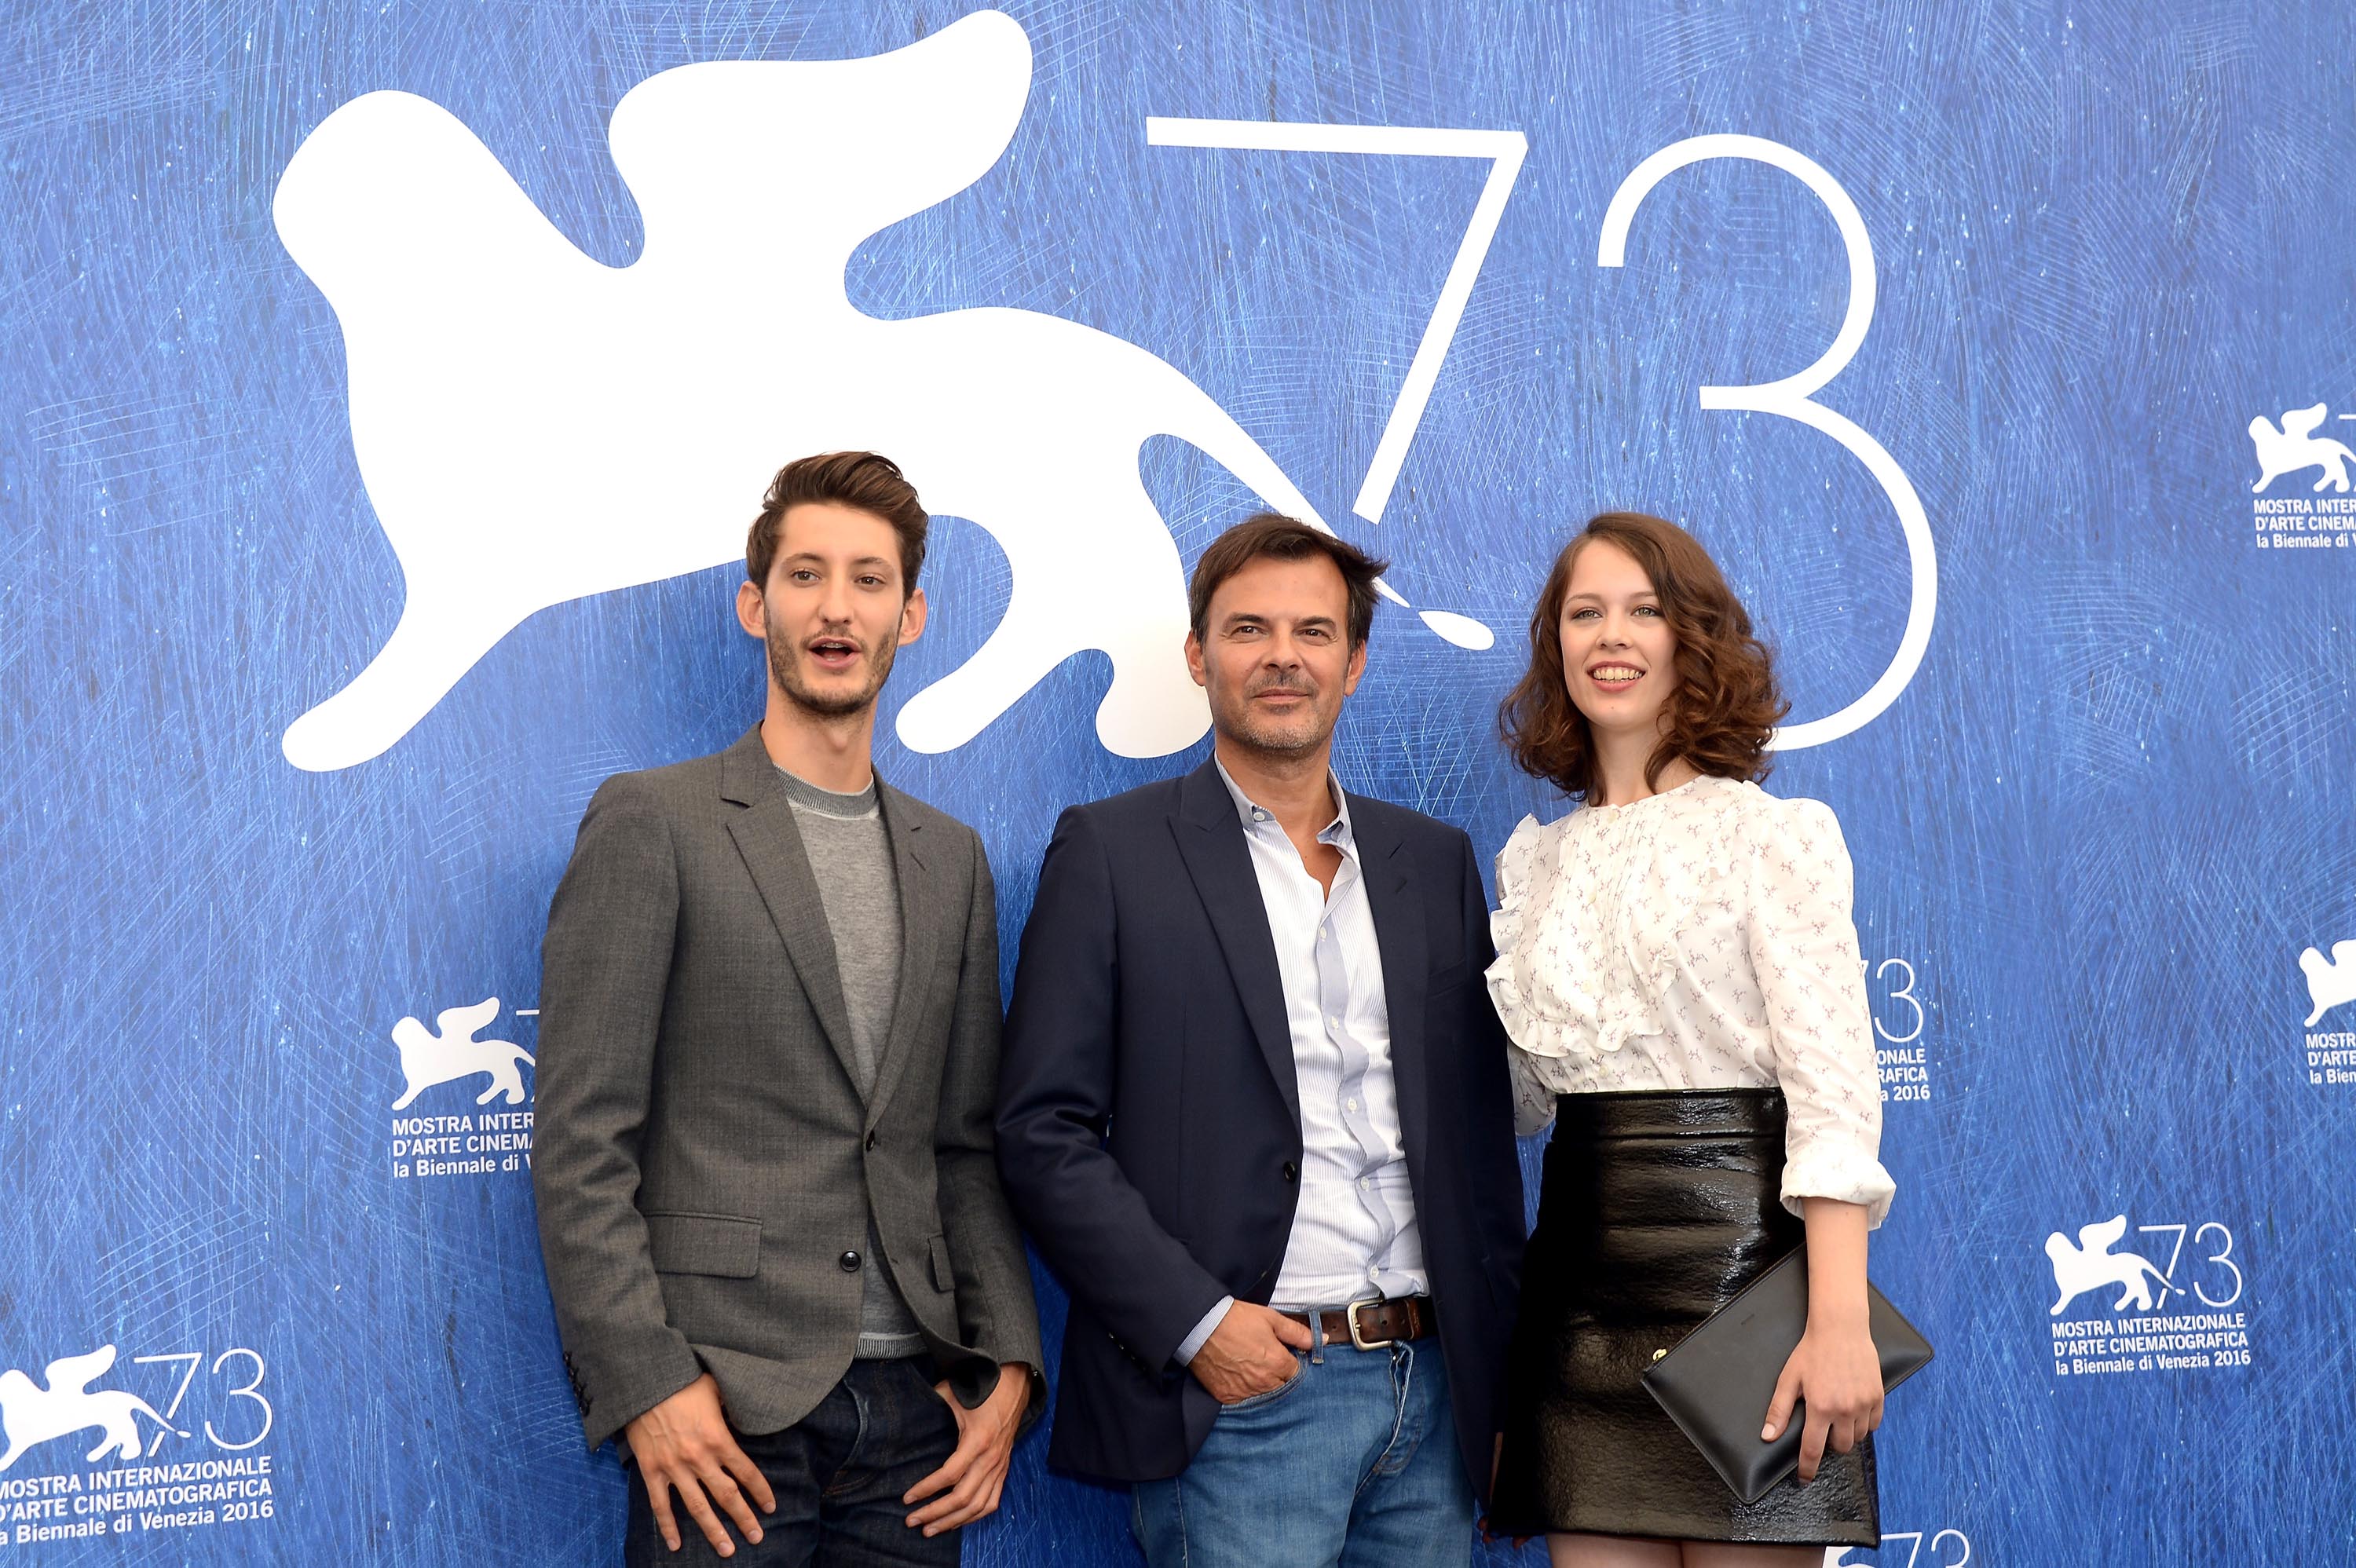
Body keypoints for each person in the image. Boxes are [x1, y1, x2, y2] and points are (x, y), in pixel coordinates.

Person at [532, 451, 1041, 1566]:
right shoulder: (653, 822)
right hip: (724, 1408)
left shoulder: (950, 859)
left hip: (916, 1423)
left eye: (869, 579)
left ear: (910, 617)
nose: (835, 606)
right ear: (755, 605)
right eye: (805, 574)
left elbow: (959, 1146)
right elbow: (580, 1144)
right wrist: (649, 1382)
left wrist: (1008, 1363)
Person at [994, 514, 1527, 1568]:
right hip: (1246, 1398)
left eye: (1314, 631)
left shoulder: (1436, 860)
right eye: (1248, 629)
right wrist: (1198, 1323)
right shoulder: (1111, 852)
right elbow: (1039, 1128)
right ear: (1199, 655)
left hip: (1435, 1403)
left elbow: (1476, 1146)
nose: (1283, 655)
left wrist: (1496, 1377)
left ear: (1355, 661)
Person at [1482, 512, 1897, 1566]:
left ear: (1691, 638)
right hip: (1578, 1300)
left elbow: (1833, 1092)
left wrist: (1837, 1317)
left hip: (1751, 1292)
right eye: (1585, 613)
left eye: (1643, 610)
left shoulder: (1772, 835)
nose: (1610, 636)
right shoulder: (1534, 866)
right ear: (1556, 645)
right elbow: (1523, 1100)